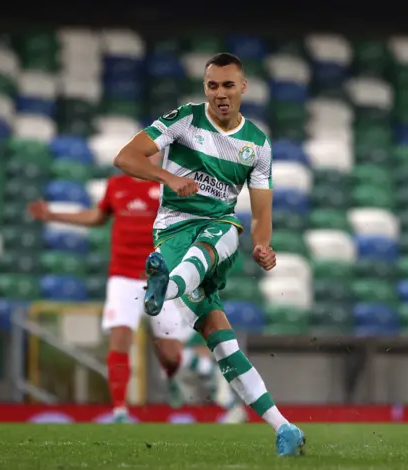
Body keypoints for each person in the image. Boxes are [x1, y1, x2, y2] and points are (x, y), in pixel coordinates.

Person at [113, 52, 305, 455]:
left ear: (243, 88)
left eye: (228, 85)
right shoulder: (183, 119)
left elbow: (262, 212)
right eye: (212, 85)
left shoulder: (257, 144)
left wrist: (264, 245)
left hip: (216, 233)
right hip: (173, 233)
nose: (220, 93)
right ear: (206, 88)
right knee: (224, 345)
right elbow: (125, 157)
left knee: (225, 228)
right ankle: (284, 428)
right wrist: (166, 175)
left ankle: (163, 289)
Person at [29, 160, 217, 422]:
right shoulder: (116, 186)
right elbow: (96, 217)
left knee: (170, 353)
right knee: (119, 338)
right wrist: (53, 215)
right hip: (123, 277)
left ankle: (179, 373)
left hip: (160, 279)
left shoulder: (168, 187)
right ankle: (119, 410)